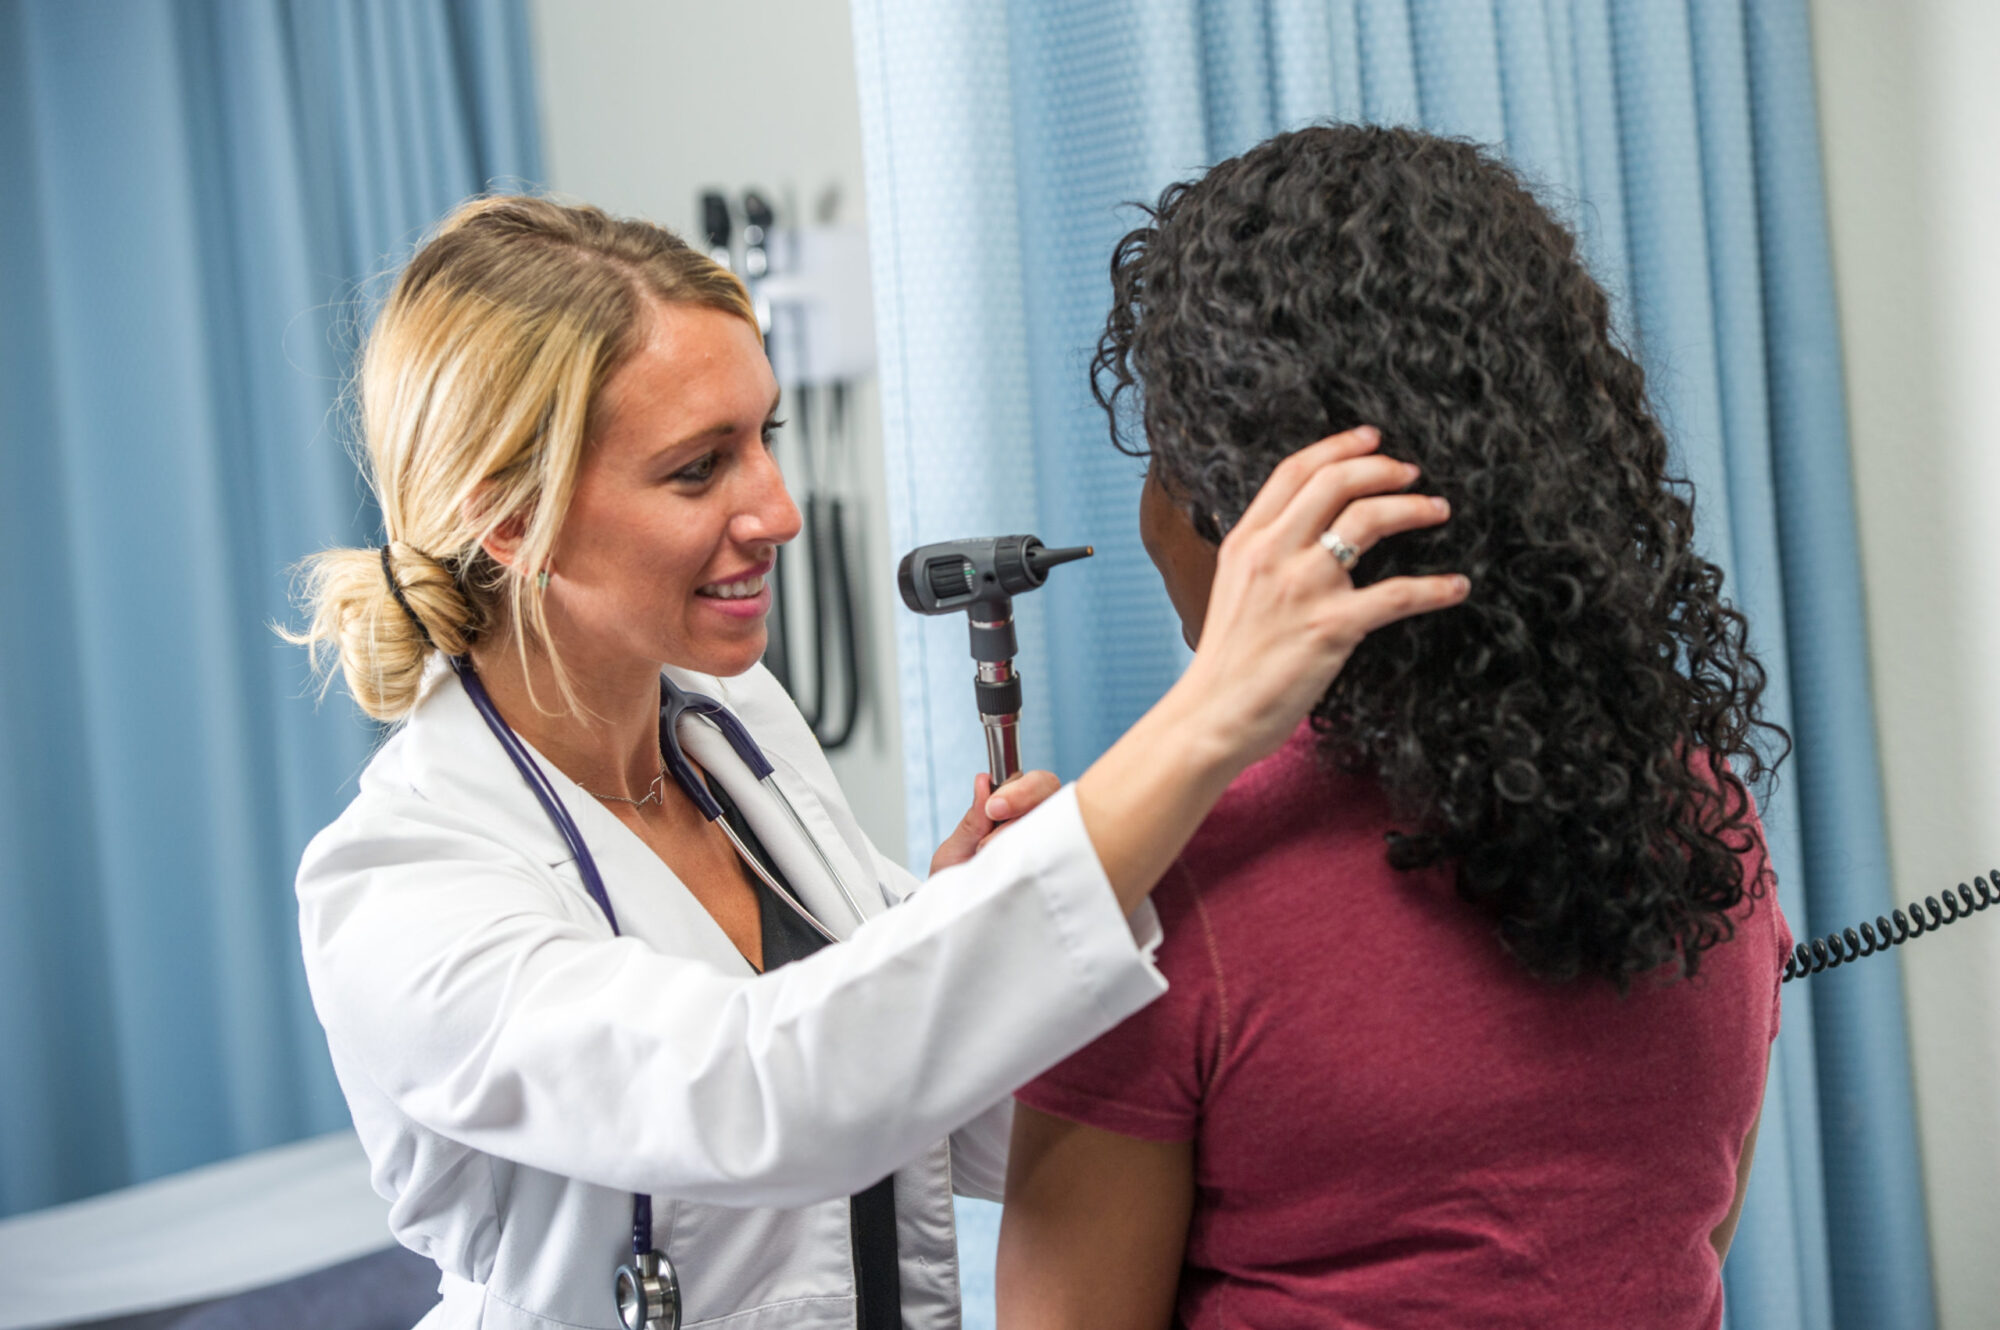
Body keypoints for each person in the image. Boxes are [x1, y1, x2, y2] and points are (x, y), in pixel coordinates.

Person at [286, 194, 1467, 1330]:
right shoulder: (398, 887)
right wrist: (1208, 717)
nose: (780, 510)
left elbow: (924, 1095)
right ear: (508, 517)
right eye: (700, 468)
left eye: (766, 438)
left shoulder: (734, 725)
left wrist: (971, 925)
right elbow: (770, 1093)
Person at [997, 125, 1793, 1330]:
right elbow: (1681, 1245)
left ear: (1236, 510)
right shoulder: (1699, 822)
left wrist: (1044, 913)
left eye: (1165, 463)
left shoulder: (1158, 896)